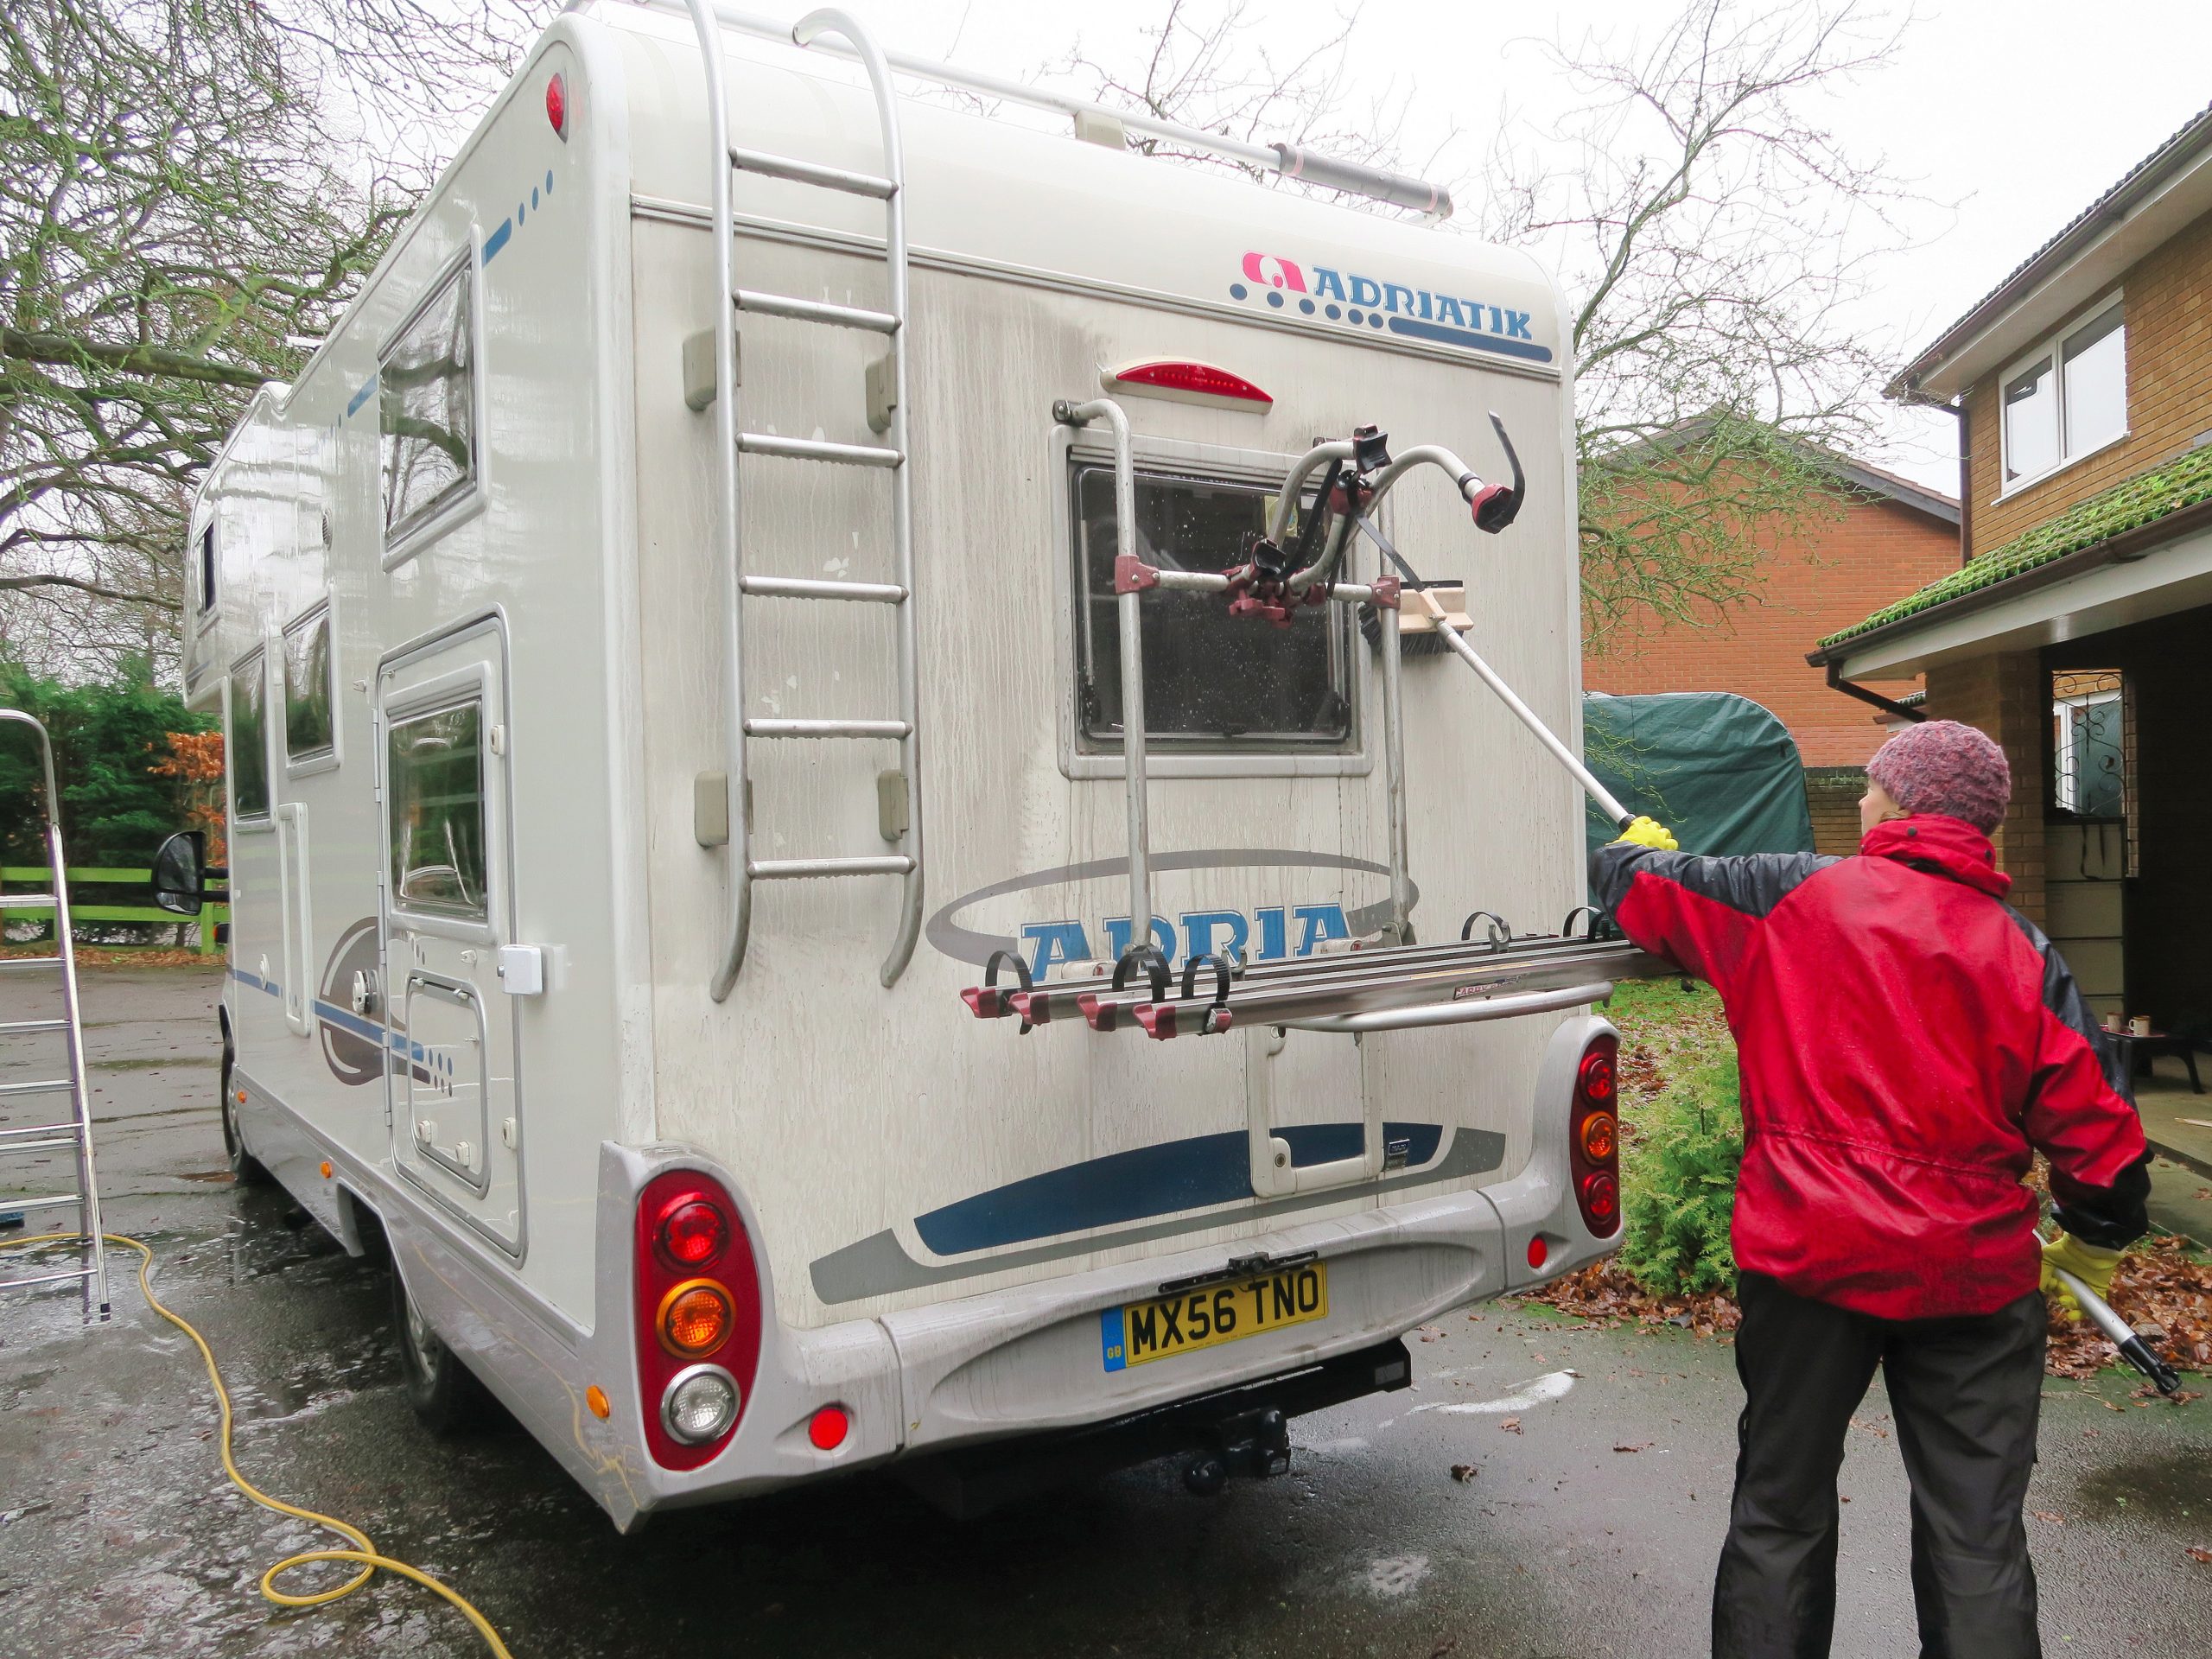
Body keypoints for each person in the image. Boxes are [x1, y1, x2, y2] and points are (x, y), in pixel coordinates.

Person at [1588, 718, 2149, 1659]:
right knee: (1977, 1538)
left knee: (1779, 1512)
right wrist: (2090, 1237)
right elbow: (2104, 1148)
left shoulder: (1784, 898)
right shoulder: (2023, 955)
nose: (1858, 800)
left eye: (1870, 788)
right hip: (1972, 1280)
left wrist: (1637, 856)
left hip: (1807, 1264)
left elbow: (1634, 891)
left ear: (1897, 804)